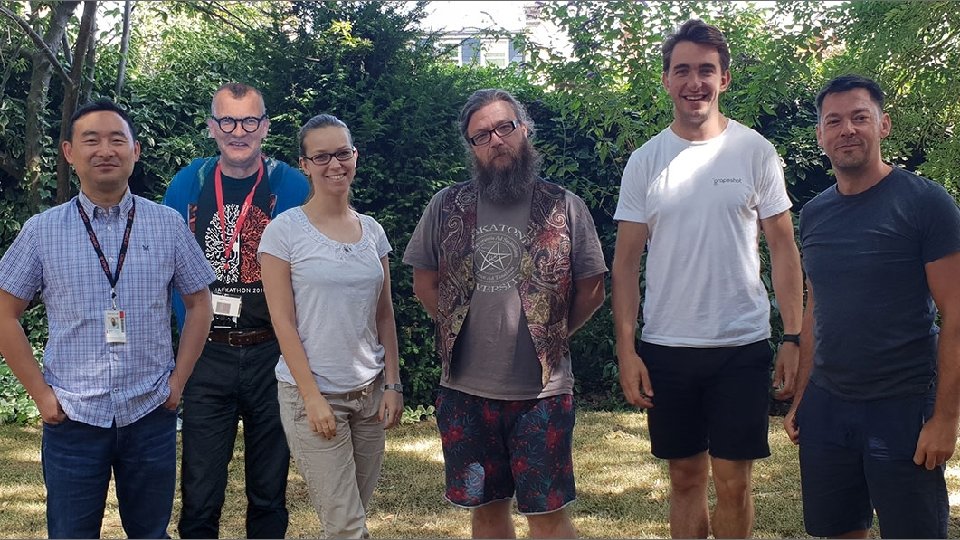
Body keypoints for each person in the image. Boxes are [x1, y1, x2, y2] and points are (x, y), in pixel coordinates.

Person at [611, 19, 804, 539]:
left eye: (705, 70)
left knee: (734, 484)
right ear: (666, 80)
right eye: (682, 71)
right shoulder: (645, 161)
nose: (694, 82)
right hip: (668, 346)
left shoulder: (755, 151)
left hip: (740, 345)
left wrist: (792, 335)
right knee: (685, 479)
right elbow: (625, 265)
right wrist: (627, 350)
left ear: (724, 78)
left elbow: (783, 248)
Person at [0, 99, 215, 538]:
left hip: (149, 411)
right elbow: (4, 313)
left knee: (151, 533)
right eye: (91, 140)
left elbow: (200, 303)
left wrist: (178, 382)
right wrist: (41, 395)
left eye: (117, 139)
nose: (105, 150)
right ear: (69, 152)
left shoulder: (168, 225)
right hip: (73, 417)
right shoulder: (42, 230)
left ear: (135, 151)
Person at [403, 88, 607, 539]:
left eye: (504, 127)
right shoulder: (446, 205)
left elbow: (593, 288)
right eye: (481, 135)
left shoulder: (563, 205)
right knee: (487, 512)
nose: (495, 140)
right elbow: (425, 283)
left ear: (524, 129)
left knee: (548, 518)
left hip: (542, 393)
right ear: (471, 147)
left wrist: (553, 331)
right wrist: (455, 323)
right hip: (465, 391)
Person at [784, 74, 960, 538]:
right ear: (820, 135)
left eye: (859, 117)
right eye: (834, 121)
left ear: (883, 125)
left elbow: (957, 314)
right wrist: (804, 397)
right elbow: (816, 307)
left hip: (902, 405)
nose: (847, 129)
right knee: (837, 531)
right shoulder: (815, 213)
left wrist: (945, 419)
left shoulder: (926, 203)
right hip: (828, 404)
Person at [162, 82, 309, 539]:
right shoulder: (188, 184)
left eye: (249, 121)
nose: (238, 131)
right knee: (200, 490)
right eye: (227, 120)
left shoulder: (292, 185)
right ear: (212, 127)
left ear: (265, 127)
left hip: (272, 355)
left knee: (269, 490)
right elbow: (165, 266)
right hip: (206, 355)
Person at [259, 113, 403, 538]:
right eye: (321, 156)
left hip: (370, 395)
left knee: (349, 518)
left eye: (342, 153)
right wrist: (312, 398)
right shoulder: (283, 232)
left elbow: (384, 314)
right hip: (314, 396)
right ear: (304, 164)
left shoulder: (372, 231)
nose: (334, 164)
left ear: (355, 156)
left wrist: (392, 384)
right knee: (346, 525)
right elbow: (282, 321)